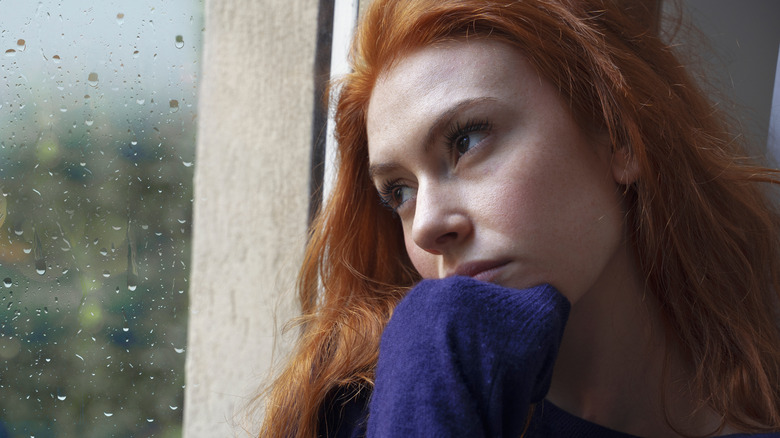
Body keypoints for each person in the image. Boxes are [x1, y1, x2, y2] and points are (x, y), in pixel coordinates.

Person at [259, 0, 780, 436]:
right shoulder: (371, 411)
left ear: (619, 134)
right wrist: (433, 345)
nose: (426, 227)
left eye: (467, 140)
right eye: (399, 192)